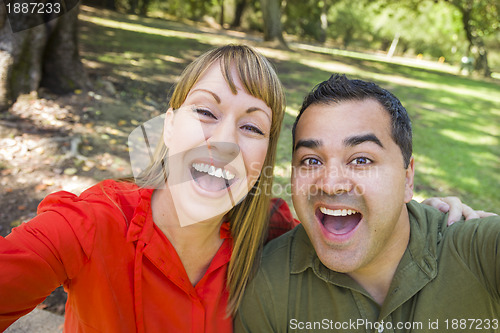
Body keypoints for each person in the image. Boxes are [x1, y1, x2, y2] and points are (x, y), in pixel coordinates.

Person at [0, 45, 485, 333]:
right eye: (206, 112)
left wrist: (425, 211)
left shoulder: (274, 234)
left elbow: (359, 213)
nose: (226, 142)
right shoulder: (90, 225)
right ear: (168, 128)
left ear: (262, 162)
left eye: (252, 128)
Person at [235, 74, 499, 332]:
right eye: (311, 160)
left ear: (407, 179)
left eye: (361, 160)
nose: (330, 184)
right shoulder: (267, 284)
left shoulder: (480, 251)